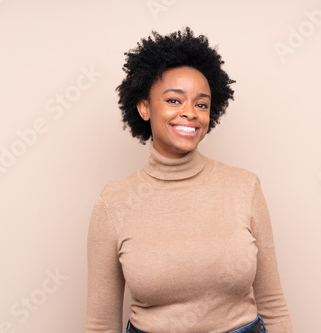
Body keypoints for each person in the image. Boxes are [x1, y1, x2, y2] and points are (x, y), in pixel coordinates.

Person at [86, 27, 293, 333]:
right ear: (144, 107)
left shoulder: (244, 188)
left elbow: (273, 305)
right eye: (173, 100)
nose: (190, 113)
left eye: (201, 104)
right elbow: (101, 325)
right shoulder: (113, 203)